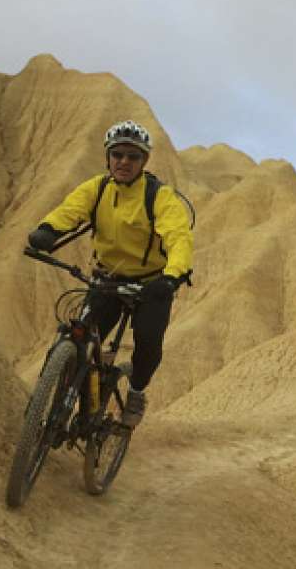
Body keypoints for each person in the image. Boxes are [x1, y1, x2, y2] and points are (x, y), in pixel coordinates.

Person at [27, 120, 193, 427]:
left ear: (144, 161)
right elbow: (70, 210)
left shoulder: (159, 197)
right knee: (79, 337)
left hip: (150, 284)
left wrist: (170, 278)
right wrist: (47, 230)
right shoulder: (98, 188)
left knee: (148, 340)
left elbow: (178, 238)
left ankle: (136, 391)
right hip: (108, 278)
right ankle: (53, 403)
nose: (124, 162)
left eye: (133, 156)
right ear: (108, 157)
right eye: (118, 155)